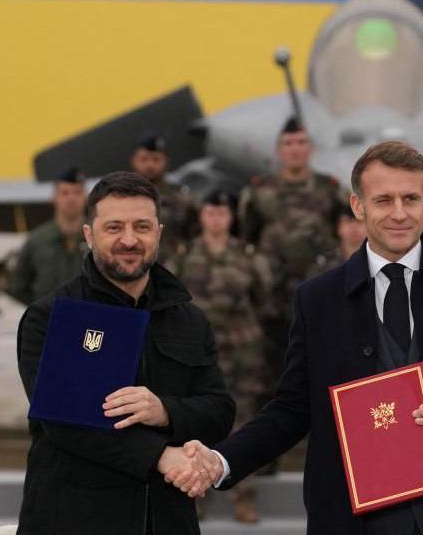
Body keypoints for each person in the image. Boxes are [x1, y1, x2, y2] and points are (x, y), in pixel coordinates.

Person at [169, 141, 423, 535]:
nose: (399, 213)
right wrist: (222, 460)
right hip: (353, 518)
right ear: (358, 206)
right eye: (383, 200)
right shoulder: (317, 299)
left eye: (410, 198)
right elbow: (292, 409)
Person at [15, 171, 235, 535]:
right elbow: (64, 422)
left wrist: (164, 410)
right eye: (114, 227)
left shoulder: (189, 319)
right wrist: (161, 456)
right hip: (73, 520)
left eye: (142, 227)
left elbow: (219, 410)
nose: (129, 240)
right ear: (89, 234)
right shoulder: (52, 316)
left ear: (159, 233)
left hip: (166, 520)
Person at [238, 116, 343, 420]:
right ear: (279, 151)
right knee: (272, 370)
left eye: (301, 143)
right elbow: (248, 239)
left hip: (318, 295)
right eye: (288, 144)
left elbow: (344, 233)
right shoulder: (259, 193)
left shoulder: (329, 189)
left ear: (310, 148)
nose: (295, 149)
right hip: (273, 299)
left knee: (321, 366)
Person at [177, 189, 272, 523]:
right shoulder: (186, 255)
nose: (216, 218)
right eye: (210, 212)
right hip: (199, 358)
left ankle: (243, 497)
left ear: (231, 217)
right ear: (201, 216)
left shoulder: (247, 255)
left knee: (244, 425)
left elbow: (264, 300)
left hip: (242, 354)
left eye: (222, 212)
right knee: (196, 424)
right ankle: (196, 494)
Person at [6, 166, 88, 305]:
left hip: (90, 319)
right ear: (54, 197)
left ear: (85, 196)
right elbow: (17, 287)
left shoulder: (98, 237)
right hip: (48, 321)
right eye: (65, 193)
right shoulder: (37, 240)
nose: (71, 198)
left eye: (77, 192)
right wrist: (41, 309)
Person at [129, 130, 198, 270]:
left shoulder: (182, 199)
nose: (150, 165)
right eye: (144, 159)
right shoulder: (118, 197)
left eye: (156, 160)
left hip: (171, 272)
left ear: (166, 161)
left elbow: (195, 238)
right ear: (133, 161)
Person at [308, 201, 368, 277]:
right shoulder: (323, 266)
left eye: (359, 221)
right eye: (347, 221)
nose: (354, 227)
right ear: (337, 227)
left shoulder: (380, 263)